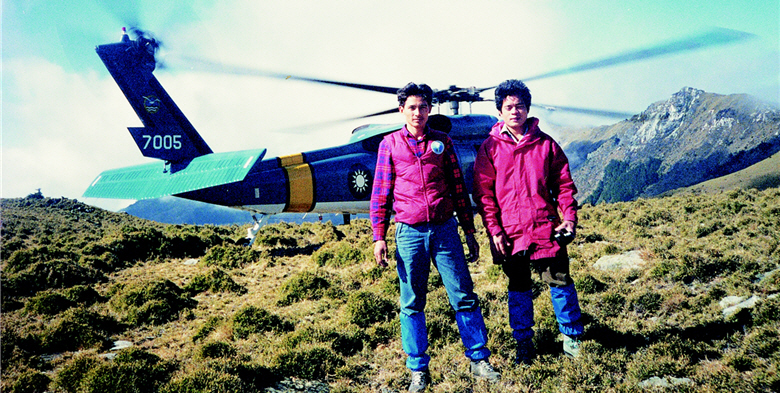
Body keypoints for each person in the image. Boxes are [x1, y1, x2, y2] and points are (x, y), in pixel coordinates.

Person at [371, 82, 499, 392]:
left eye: (423, 107)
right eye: (412, 107)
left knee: (464, 296)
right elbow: (381, 193)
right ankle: (418, 369)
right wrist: (379, 236)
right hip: (408, 233)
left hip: (444, 230)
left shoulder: (443, 142)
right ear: (402, 110)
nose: (418, 113)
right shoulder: (389, 145)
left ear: (430, 109)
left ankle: (478, 359)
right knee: (412, 303)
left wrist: (469, 231)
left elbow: (458, 189)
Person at [473, 79, 584, 365]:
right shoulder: (489, 149)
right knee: (518, 287)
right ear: (499, 111)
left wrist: (569, 218)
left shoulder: (546, 145)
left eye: (519, 106)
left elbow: (564, 185)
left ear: (528, 109)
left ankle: (572, 339)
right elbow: (484, 195)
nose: (514, 111)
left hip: (546, 228)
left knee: (560, 282)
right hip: (510, 234)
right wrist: (494, 230)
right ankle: (524, 343)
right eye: (508, 107)